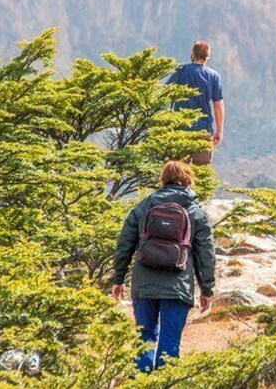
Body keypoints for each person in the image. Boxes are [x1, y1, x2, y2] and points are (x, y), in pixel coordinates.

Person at [111, 160, 216, 372]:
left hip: (144, 286)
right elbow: (206, 255)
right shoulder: (197, 212)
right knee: (170, 342)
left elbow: (125, 244)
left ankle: (140, 384)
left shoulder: (144, 206)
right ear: (189, 180)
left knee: (144, 337)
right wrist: (207, 290)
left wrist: (118, 279)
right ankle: (164, 382)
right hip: (178, 287)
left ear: (163, 179)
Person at [168, 41, 225, 165]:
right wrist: (219, 130)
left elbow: (166, 92)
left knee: (179, 171)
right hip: (203, 130)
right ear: (207, 56)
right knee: (201, 171)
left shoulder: (181, 71)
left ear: (192, 54)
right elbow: (218, 104)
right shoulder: (214, 76)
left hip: (180, 129)